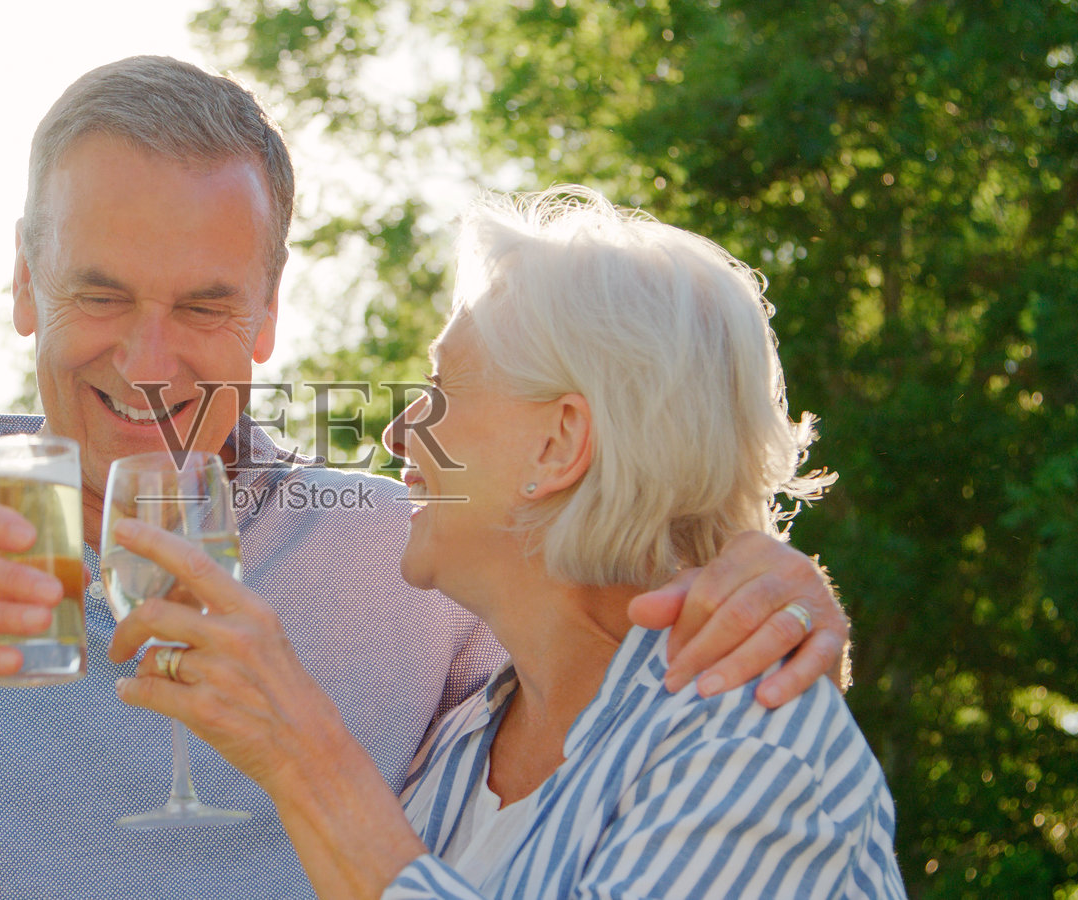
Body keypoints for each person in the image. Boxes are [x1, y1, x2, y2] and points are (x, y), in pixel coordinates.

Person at [0, 59, 849, 899]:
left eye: (202, 306)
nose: (148, 362)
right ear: (24, 284)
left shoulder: (405, 550)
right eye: (98, 295)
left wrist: (746, 567)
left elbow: (614, 660)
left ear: (267, 313)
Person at [109, 187, 905, 897]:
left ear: (558, 444)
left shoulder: (751, 756)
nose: (397, 432)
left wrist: (304, 754)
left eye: (441, 391)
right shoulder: (465, 743)